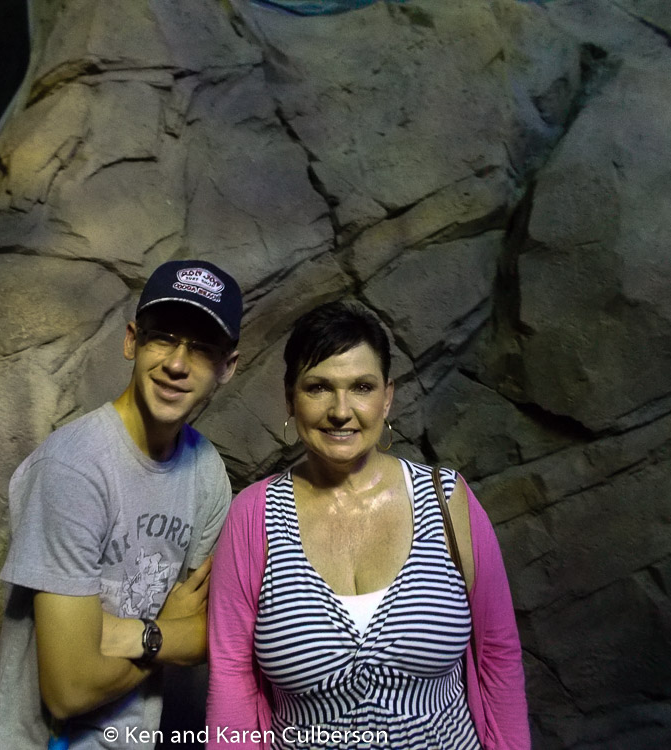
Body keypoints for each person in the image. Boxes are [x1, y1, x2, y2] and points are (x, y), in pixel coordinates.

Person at [206, 301, 529, 749]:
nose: (341, 410)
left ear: (387, 397)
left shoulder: (448, 501)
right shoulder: (252, 517)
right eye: (318, 387)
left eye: (361, 387)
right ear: (290, 398)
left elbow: (498, 654)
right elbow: (231, 674)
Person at [0, 260, 243, 750]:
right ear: (132, 341)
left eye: (203, 348)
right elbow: (68, 690)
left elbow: (213, 633)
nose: (177, 364)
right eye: (163, 338)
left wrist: (125, 635)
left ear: (228, 367)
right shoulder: (74, 466)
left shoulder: (207, 474)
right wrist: (162, 633)